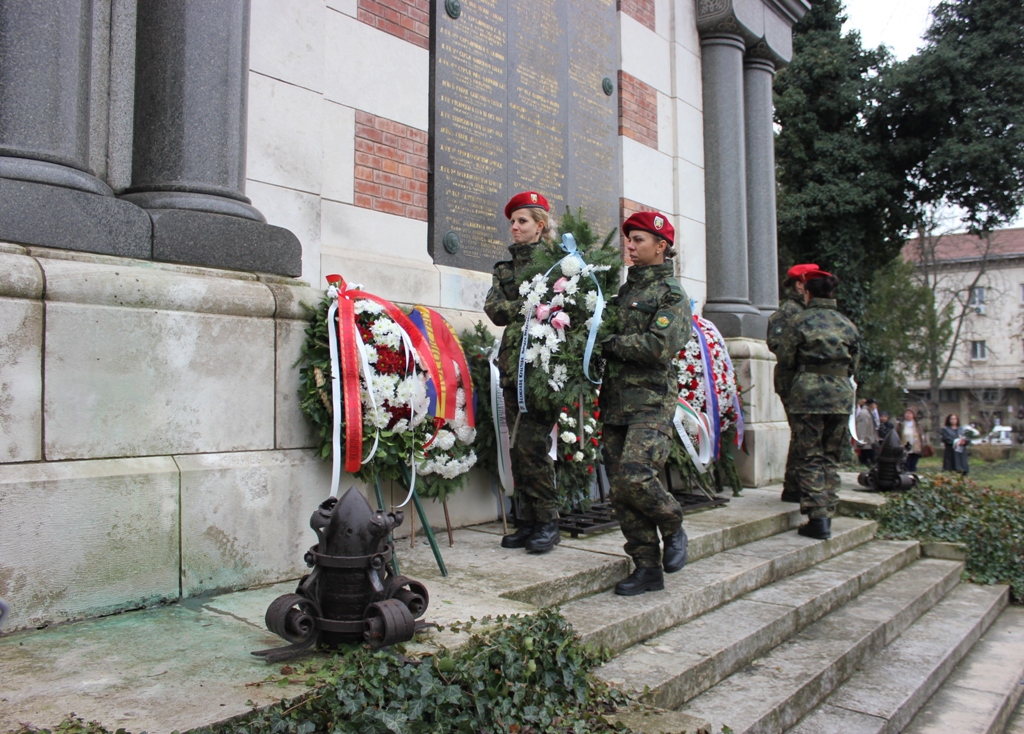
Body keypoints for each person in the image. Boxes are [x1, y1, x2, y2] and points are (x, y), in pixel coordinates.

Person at [600, 211, 691, 595]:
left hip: (651, 401)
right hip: (615, 400)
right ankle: (646, 566)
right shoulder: (622, 295)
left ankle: (673, 524)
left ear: (661, 246)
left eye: (638, 240)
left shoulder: (672, 294)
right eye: (629, 240)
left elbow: (658, 345)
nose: (631, 247)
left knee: (636, 474)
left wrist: (608, 345)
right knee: (621, 489)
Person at [485, 191, 562, 553]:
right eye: (512, 222)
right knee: (517, 446)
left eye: (522, 221)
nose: (514, 227)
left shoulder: (558, 267)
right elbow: (495, 310)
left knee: (533, 444)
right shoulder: (504, 269)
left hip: (542, 366)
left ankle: (548, 521)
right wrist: (530, 306)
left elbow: (563, 306)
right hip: (511, 365)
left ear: (540, 226)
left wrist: (532, 308)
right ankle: (527, 522)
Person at [775, 269, 860, 540]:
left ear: (808, 292)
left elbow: (786, 359)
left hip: (807, 395)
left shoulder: (799, 321)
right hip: (840, 395)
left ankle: (818, 518)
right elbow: (854, 364)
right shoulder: (847, 324)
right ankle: (828, 509)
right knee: (830, 456)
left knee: (810, 456)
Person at [767, 263, 819, 503]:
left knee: (803, 434)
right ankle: (795, 487)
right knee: (803, 433)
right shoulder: (788, 312)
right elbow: (777, 345)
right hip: (793, 382)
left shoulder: (808, 311)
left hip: (807, 382)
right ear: (800, 284)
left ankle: (793, 486)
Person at [855, 398, 879, 466]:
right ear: (871, 405)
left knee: (873, 460)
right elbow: (861, 428)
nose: (876, 406)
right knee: (866, 461)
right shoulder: (864, 414)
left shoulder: (870, 413)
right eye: (875, 404)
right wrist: (861, 441)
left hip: (871, 442)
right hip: (866, 443)